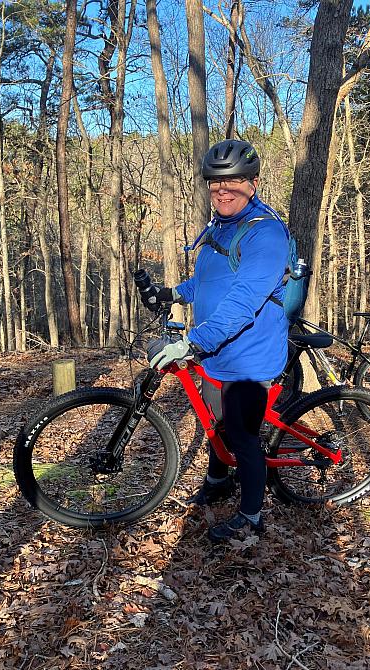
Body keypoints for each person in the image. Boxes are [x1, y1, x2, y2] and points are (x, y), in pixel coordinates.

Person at [144, 139, 291, 542]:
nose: (223, 190)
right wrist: (174, 293)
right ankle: (218, 478)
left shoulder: (266, 234)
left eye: (234, 181)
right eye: (215, 183)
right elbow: (209, 281)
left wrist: (193, 341)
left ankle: (252, 516)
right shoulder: (220, 226)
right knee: (215, 422)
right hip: (217, 351)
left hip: (249, 357)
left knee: (242, 436)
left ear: (253, 183)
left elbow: (244, 299)